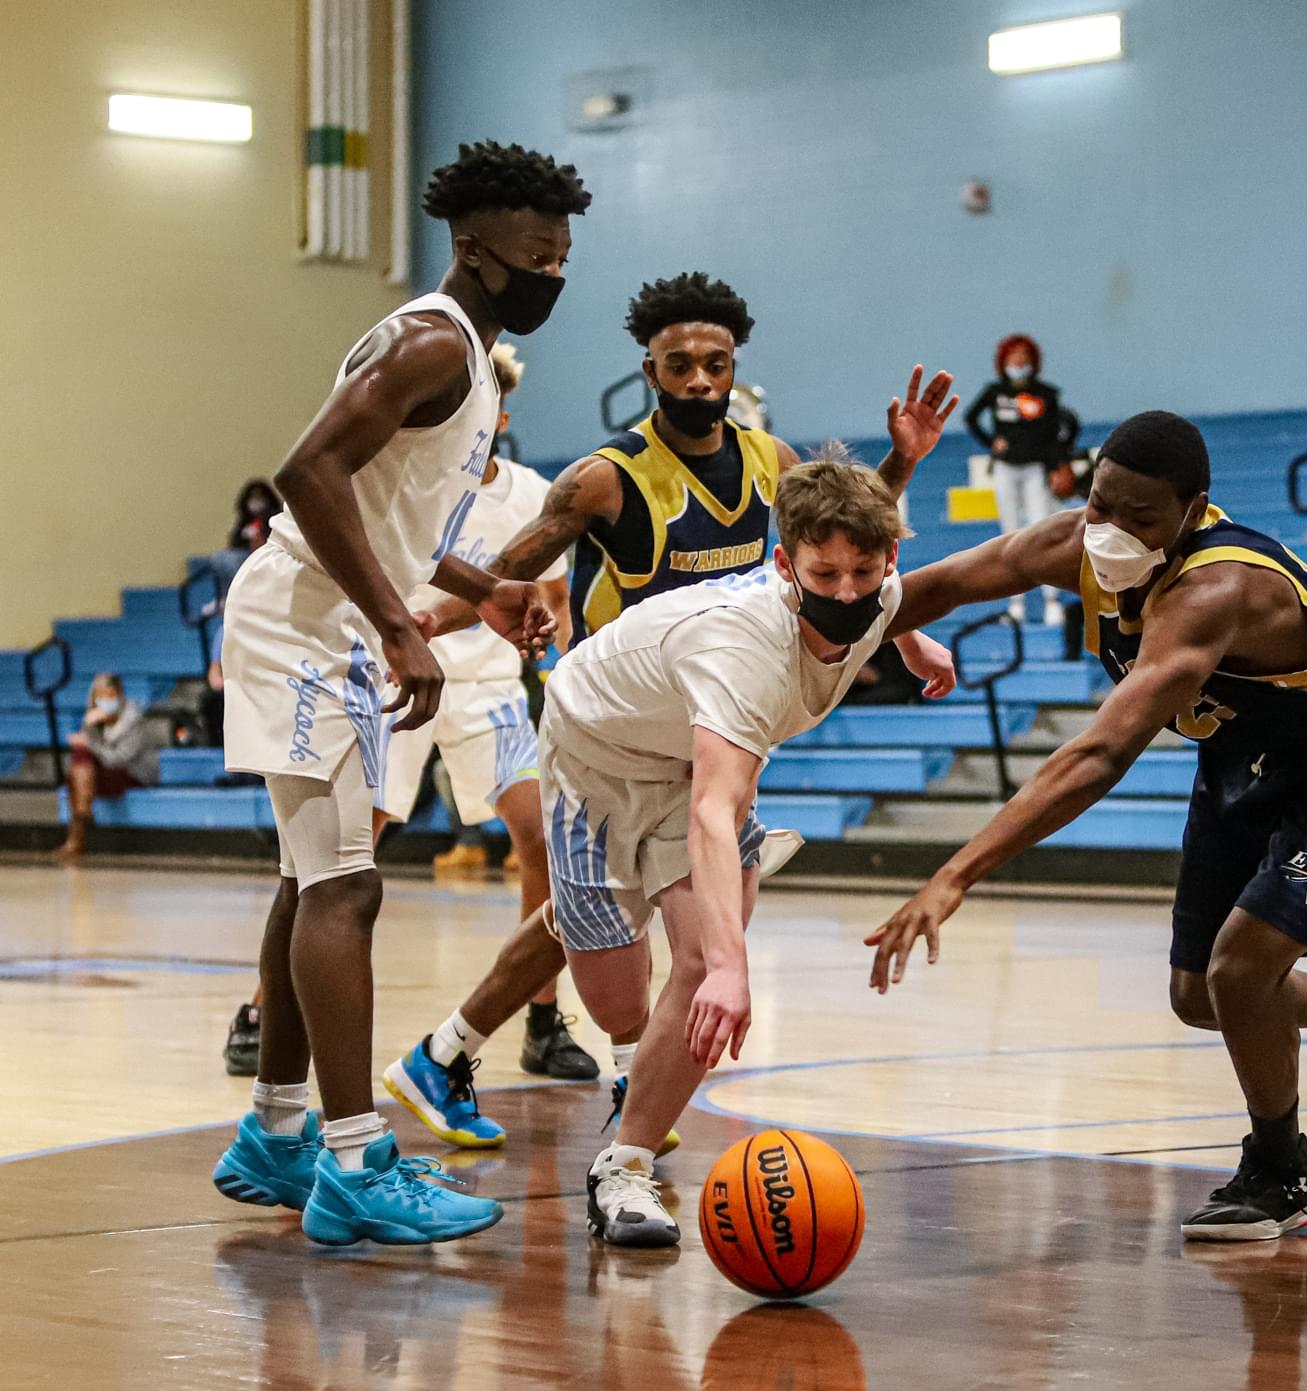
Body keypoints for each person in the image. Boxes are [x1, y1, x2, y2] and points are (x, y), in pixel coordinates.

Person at [386, 272, 959, 1153]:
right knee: (608, 918)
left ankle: (492, 1063)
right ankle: (553, 1067)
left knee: (637, 915)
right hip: (614, 726)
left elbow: (841, 540)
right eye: (680, 364)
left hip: (711, 723)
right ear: (649, 370)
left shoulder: (771, 461)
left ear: (735, 368)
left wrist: (903, 490)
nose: (699, 379)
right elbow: (512, 565)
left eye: (716, 363)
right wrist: (432, 617)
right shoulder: (605, 479)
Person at [867, 411, 1307, 1243]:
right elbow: (945, 583)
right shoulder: (1076, 542)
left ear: (1193, 511)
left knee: (1239, 969)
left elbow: (1101, 753)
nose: (1109, 529)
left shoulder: (1213, 588)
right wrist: (844, 631)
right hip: (1253, 749)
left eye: (1139, 516)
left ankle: (1279, 1171)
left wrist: (956, 871)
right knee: (1200, 995)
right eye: (1099, 504)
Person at [207, 141, 577, 1247]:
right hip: (310, 622)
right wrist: (393, 624)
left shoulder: (461, 347)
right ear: (473, 249)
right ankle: (360, 1158)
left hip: (329, 615)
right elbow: (307, 471)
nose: (553, 273)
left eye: (562, 253)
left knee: (306, 878)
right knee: (345, 890)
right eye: (535, 254)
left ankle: (276, 1133)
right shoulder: (431, 342)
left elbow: (391, 515)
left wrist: (488, 588)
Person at [562, 452, 938, 1244]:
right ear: (784, 566)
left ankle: (622, 1170)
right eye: (823, 573)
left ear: (887, 561)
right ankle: (579, 933)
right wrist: (736, 969)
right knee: (619, 1004)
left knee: (697, 961)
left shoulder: (877, 593)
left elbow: (892, 600)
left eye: (861, 572)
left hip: (693, 758)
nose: (845, 591)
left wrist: (912, 644)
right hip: (593, 749)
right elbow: (716, 806)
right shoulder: (743, 649)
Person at [222, 342, 585, 1083]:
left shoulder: (528, 490)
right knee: (340, 859)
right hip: (392, 673)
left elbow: (553, 602)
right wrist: (416, 624)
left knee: (543, 837)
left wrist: (538, 639)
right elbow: (353, 520)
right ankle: (264, 1012)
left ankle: (542, 1017)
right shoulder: (408, 469)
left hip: (486, 688)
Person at [965, 333, 1081, 624]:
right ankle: (1015, 605)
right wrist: (991, 441)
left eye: (1024, 355)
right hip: (1006, 468)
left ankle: (1051, 601)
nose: (1018, 361)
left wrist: (1059, 466)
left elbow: (1059, 433)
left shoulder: (1046, 393)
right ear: (1003, 361)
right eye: (1012, 355)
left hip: (1035, 469)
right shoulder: (995, 392)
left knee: (1042, 528)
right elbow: (970, 417)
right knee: (1009, 532)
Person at [54, 673, 159, 861]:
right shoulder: (94, 719)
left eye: (111, 696)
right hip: (100, 774)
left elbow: (120, 759)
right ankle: (83, 812)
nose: (106, 701)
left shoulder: (133, 719)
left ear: (120, 695)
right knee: (79, 760)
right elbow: (87, 756)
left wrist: (90, 744)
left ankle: (77, 833)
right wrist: (88, 726)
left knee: (79, 770)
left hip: (134, 774)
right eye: (101, 697)